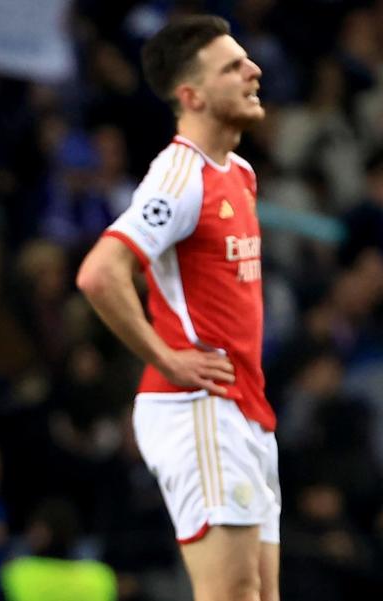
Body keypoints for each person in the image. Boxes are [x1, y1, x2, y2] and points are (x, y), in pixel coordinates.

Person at [76, 15, 279, 601]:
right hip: (199, 409)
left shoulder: (238, 172)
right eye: (232, 67)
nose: (253, 71)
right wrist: (168, 358)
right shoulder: (179, 174)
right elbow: (100, 272)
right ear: (190, 96)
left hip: (244, 410)